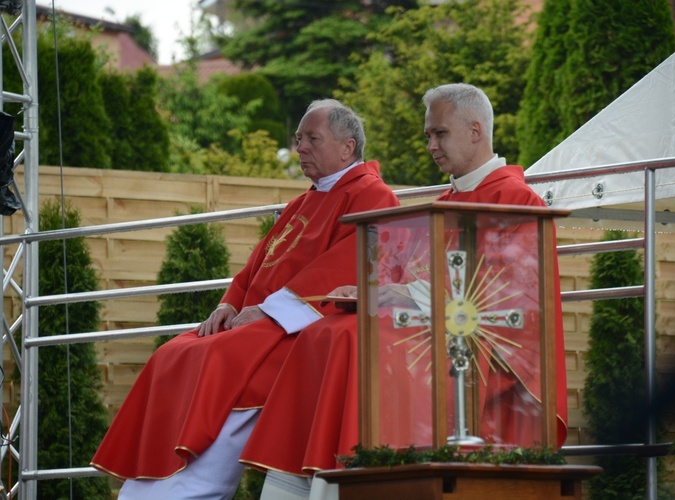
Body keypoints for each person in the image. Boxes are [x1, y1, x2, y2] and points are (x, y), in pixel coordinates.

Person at [241, 83, 568, 497]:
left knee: (347, 338)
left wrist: (399, 296)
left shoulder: (517, 201)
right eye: (427, 135)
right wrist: (365, 289)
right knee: (323, 332)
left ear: (475, 130)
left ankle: (340, 482)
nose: (431, 144)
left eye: (439, 133)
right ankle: (299, 482)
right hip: (423, 332)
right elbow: (398, 270)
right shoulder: (444, 201)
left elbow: (504, 298)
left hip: (476, 357)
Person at [90, 98, 400, 499]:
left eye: (312, 138)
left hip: (293, 329)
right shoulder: (303, 202)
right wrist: (228, 305)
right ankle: (148, 484)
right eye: (298, 138)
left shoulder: (372, 196)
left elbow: (344, 271)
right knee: (172, 353)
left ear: (348, 147)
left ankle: (190, 487)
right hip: (258, 321)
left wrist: (270, 312)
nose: (301, 147)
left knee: (215, 358)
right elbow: (257, 265)